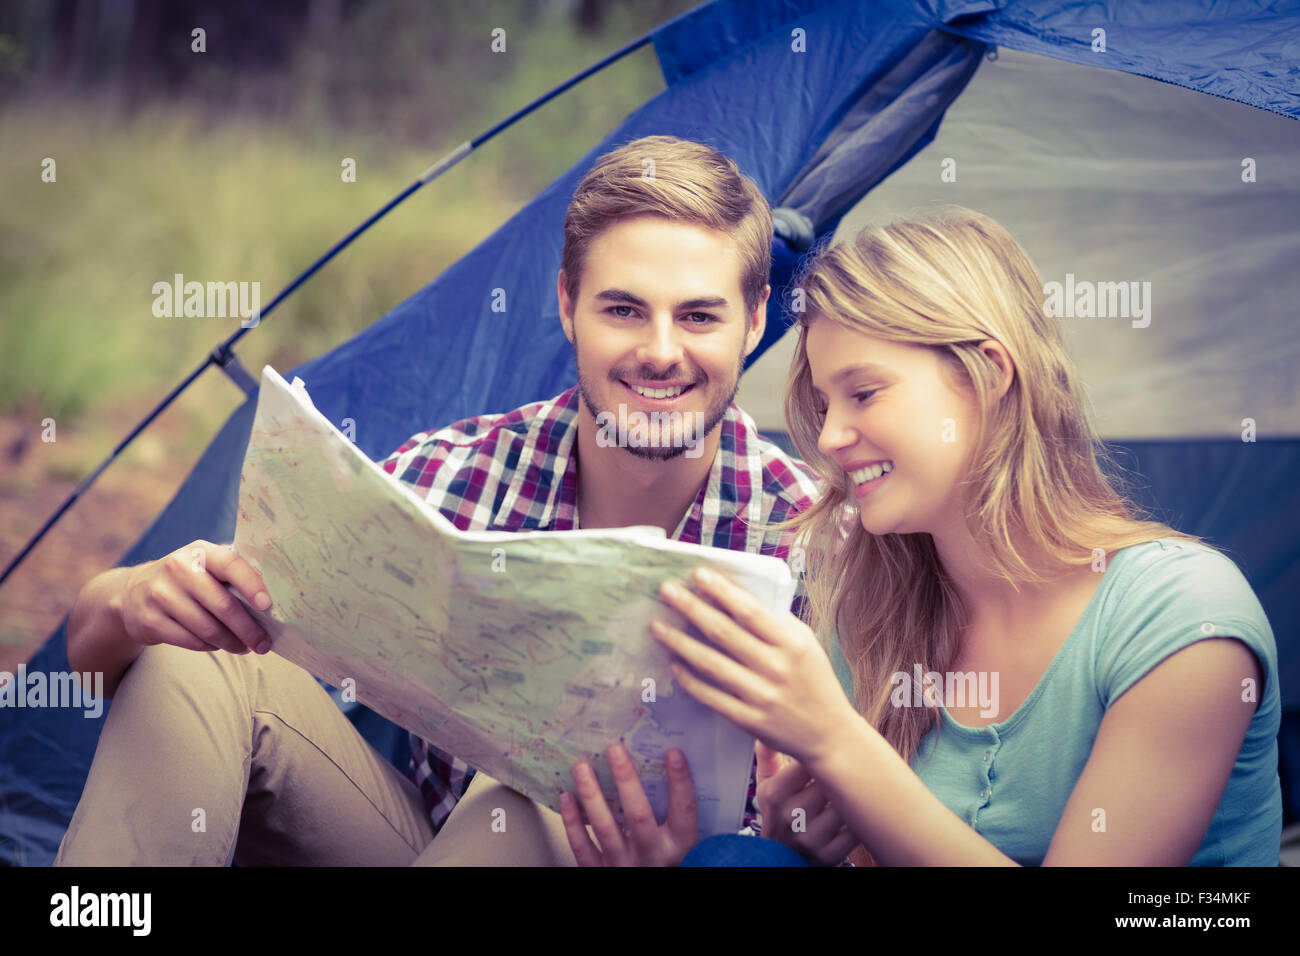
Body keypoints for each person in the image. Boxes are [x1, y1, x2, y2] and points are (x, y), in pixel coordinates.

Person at [53, 135, 823, 866]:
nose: (660, 351)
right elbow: (93, 659)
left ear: (755, 318)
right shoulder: (453, 478)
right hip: (424, 842)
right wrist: (129, 604)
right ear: (566, 306)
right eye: (623, 309)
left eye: (698, 315)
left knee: (523, 803)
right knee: (195, 660)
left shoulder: (818, 542)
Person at [611, 206, 1283, 866]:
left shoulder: (1180, 616)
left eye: (864, 393)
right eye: (823, 404)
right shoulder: (875, 606)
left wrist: (837, 740)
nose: (828, 437)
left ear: (989, 374)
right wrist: (808, 842)